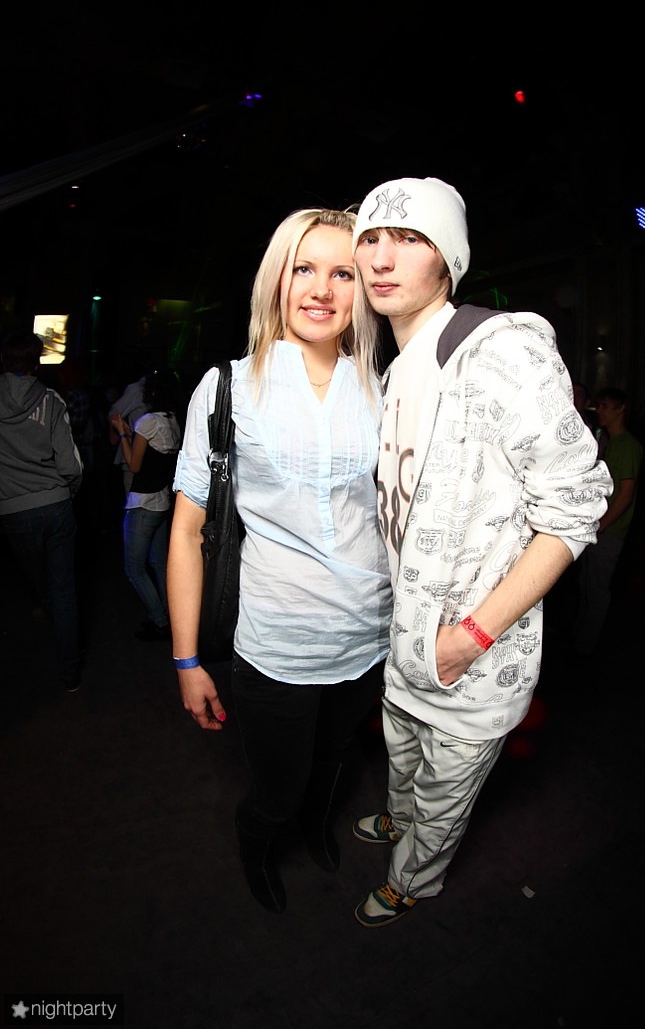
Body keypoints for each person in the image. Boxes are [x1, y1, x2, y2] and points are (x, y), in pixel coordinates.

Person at [349, 176, 613, 927]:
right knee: (403, 760)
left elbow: (576, 505)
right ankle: (400, 823)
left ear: (449, 258)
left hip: (472, 656)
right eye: (371, 238)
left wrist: (471, 636)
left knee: (445, 790)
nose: (381, 258)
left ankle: (414, 879)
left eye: (409, 238)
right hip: (406, 643)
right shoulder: (398, 369)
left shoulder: (498, 352)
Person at [167, 207, 392, 914]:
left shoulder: (382, 386)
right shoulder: (228, 387)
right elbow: (187, 531)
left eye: (342, 273)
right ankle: (259, 844)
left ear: (363, 288)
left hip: (368, 638)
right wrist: (186, 660)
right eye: (304, 268)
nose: (321, 289)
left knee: (333, 764)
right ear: (277, 279)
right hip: (277, 646)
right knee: (278, 789)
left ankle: (317, 829)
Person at [0, 331, 84, 691]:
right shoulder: (51, 400)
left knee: (40, 579)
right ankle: (69, 673)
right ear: (36, 362)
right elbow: (70, 465)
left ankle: (44, 604)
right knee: (64, 589)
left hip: (14, 510)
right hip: (56, 504)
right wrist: (69, 492)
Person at [111, 367, 183, 641]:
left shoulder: (147, 421)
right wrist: (131, 434)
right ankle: (171, 617)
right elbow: (154, 456)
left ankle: (159, 620)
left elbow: (134, 465)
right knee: (159, 564)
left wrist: (122, 435)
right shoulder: (172, 421)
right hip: (162, 501)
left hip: (143, 504)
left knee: (135, 568)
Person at [572, 386, 643, 656]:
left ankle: (585, 647)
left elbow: (626, 495)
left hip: (609, 532)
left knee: (597, 590)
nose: (599, 410)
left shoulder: (628, 446)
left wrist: (602, 526)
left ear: (620, 409)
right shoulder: (613, 442)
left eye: (605, 406)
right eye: (599, 405)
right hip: (599, 528)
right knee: (587, 586)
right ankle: (579, 636)